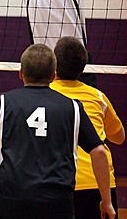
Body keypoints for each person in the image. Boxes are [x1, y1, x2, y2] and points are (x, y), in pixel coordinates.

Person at [0, 44, 116, 219]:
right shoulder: (73, 107)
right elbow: (99, 151)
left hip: (10, 200)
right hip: (57, 203)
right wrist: (106, 200)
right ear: (54, 75)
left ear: (21, 73)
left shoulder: (3, 102)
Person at [50, 36, 125, 219]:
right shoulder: (98, 97)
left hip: (55, 182)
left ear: (54, 65)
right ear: (84, 67)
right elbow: (119, 137)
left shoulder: (44, 95)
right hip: (98, 183)